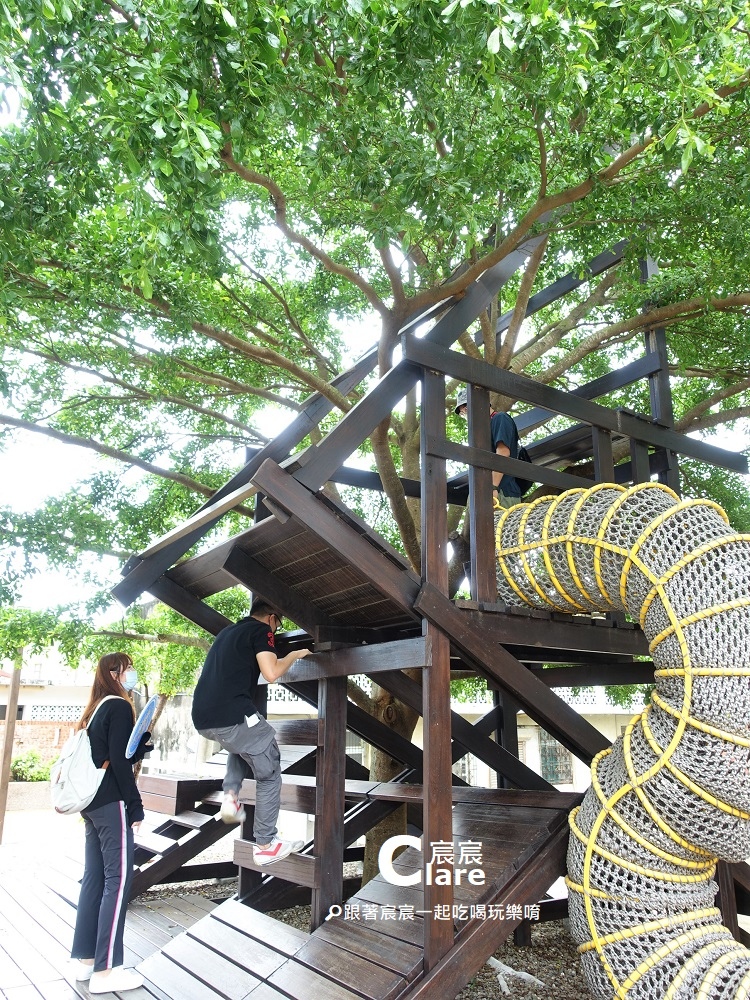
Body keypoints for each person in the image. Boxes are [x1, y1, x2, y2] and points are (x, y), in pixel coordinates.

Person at [191, 599, 312, 865]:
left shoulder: (227, 633)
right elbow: (271, 672)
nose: (276, 630)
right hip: (231, 713)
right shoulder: (261, 631)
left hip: (203, 717)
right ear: (271, 617)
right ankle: (266, 843)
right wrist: (293, 655)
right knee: (268, 763)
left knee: (245, 744)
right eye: (278, 624)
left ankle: (231, 797)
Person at [70, 652, 149, 994]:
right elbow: (118, 761)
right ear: (116, 673)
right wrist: (135, 805)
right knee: (118, 882)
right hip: (110, 802)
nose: (132, 672)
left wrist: (138, 748)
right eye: (129, 667)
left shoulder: (96, 708)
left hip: (91, 805)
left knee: (95, 879)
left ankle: (86, 961)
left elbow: (116, 752)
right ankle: (106, 972)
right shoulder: (118, 705)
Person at [455, 386, 523, 509]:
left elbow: (503, 452)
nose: (465, 414)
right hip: (485, 493)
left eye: (465, 409)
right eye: (462, 412)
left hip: (501, 493)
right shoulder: (481, 432)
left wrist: (492, 487)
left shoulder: (500, 419)